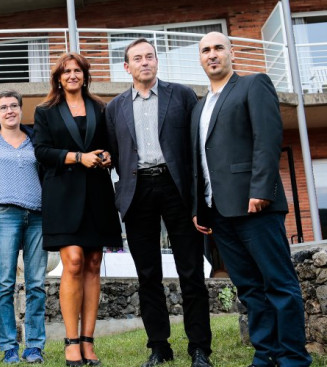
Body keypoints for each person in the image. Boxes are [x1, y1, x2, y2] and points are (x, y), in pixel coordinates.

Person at [193, 32, 311, 367]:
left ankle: (292, 357)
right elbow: (199, 162)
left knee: (279, 284)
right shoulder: (199, 106)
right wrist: (199, 208)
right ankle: (266, 354)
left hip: (255, 205)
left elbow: (268, 137)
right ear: (200, 59)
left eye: (218, 48)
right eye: (205, 50)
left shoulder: (254, 84)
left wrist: (260, 189)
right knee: (249, 287)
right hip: (220, 212)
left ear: (231, 53)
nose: (212, 55)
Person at [105, 38, 212, 367]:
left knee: (191, 271)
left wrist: (199, 199)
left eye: (150, 56)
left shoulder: (181, 95)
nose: (145, 62)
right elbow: (114, 155)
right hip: (138, 192)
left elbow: (196, 147)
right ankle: (159, 346)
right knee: (147, 273)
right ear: (127, 67)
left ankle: (199, 348)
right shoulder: (115, 108)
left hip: (176, 188)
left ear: (157, 61)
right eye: (137, 58)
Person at [33, 53, 121, 367]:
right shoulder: (45, 111)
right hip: (63, 193)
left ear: (85, 75)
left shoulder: (101, 107)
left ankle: (88, 341)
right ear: (58, 78)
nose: (72, 75)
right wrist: (76, 157)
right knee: (72, 261)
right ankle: (71, 342)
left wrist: (109, 156)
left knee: (94, 262)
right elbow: (41, 151)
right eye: (66, 71)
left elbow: (113, 144)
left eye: (77, 70)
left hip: (97, 192)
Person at [0, 90, 47, 364]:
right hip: (3, 214)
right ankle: (8, 347)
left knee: (36, 284)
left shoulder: (35, 140)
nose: (9, 111)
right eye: (3, 107)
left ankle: (34, 346)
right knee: (5, 283)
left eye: (13, 106)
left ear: (20, 109)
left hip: (37, 214)